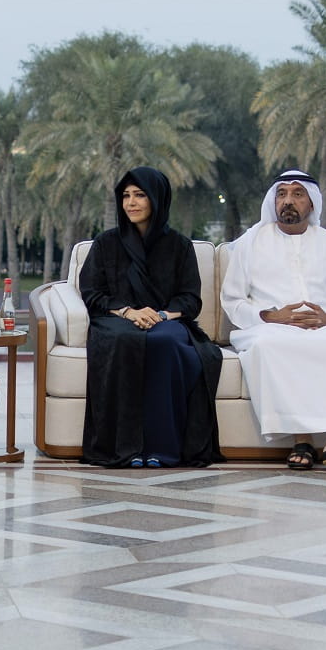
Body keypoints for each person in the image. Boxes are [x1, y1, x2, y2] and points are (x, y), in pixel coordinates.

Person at [220, 169, 326, 470]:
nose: (288, 201)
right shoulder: (250, 244)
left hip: (324, 327)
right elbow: (232, 299)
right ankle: (302, 439)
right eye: (282, 194)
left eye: (297, 194)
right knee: (272, 346)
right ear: (273, 201)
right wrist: (270, 316)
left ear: (311, 203)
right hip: (268, 328)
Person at [78, 167, 222, 468]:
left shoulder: (180, 245)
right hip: (115, 319)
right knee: (125, 339)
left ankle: (162, 449)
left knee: (164, 342)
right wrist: (128, 311)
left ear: (157, 199)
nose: (131, 202)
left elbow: (190, 299)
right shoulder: (106, 243)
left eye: (140, 195)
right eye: (126, 196)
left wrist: (161, 315)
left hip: (164, 320)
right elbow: (92, 292)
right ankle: (125, 448)